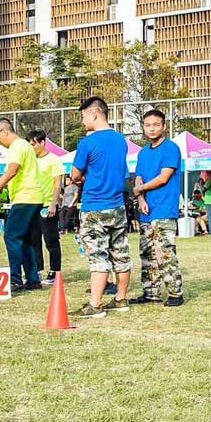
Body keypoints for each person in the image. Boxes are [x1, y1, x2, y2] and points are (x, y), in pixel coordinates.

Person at [68, 97, 131, 318]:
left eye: (84, 116)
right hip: (117, 205)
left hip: (95, 205)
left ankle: (95, 305)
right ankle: (121, 299)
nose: (83, 120)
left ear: (94, 114)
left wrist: (79, 178)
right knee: (121, 253)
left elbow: (75, 174)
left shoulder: (87, 143)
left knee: (98, 256)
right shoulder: (120, 140)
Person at [0, 118, 44, 292]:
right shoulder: (24, 146)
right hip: (34, 197)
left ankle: (15, 279)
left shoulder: (17, 146)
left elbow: (12, 171)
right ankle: (33, 279)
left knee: (11, 236)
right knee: (26, 240)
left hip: (25, 198)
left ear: (5, 131)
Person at [130, 109, 184, 307]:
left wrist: (139, 189)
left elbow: (163, 177)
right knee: (147, 253)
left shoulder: (171, 148)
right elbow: (139, 177)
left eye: (156, 125)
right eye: (148, 125)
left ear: (164, 126)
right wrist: (141, 198)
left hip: (164, 209)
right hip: (147, 210)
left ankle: (175, 293)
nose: (152, 129)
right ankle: (150, 292)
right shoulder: (143, 152)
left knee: (165, 252)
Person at [28, 130, 65, 284]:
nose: (31, 147)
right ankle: (37, 270)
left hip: (47, 205)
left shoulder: (53, 160)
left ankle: (55, 271)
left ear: (42, 143)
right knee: (33, 239)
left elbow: (58, 184)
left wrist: (53, 203)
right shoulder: (30, 160)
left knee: (50, 240)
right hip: (32, 204)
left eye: (33, 144)